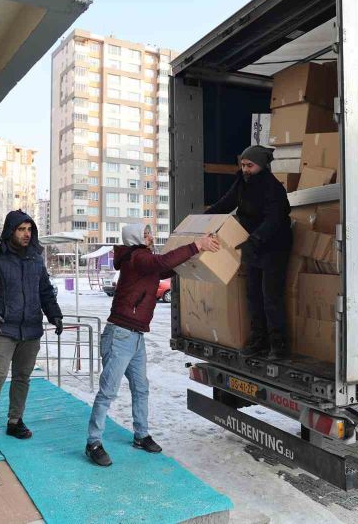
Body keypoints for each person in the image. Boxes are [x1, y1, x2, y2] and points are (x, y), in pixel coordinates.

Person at [85, 224, 220, 466]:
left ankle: (141, 435)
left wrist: (193, 258)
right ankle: (93, 442)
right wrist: (197, 244)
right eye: (146, 234)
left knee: (141, 388)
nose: (150, 236)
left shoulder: (143, 261)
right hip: (120, 335)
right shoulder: (137, 257)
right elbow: (161, 262)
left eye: (149, 233)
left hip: (136, 336)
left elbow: (166, 268)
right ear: (135, 238)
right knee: (108, 391)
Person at [0, 210, 63, 452]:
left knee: (22, 378)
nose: (26, 234)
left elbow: (45, 290)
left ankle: (15, 421)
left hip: (30, 329)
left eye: (29, 229)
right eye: (21, 229)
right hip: (1, 328)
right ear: (10, 231)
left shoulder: (35, 259)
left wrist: (54, 314)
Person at [205, 145, 292, 359]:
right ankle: (258, 341)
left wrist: (255, 240)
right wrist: (204, 219)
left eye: (249, 165)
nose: (245, 169)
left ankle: (278, 346)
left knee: (270, 297)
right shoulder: (242, 183)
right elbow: (225, 203)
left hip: (273, 247)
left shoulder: (273, 189)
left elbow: (274, 220)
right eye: (243, 165)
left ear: (261, 165)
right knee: (253, 296)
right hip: (252, 245)